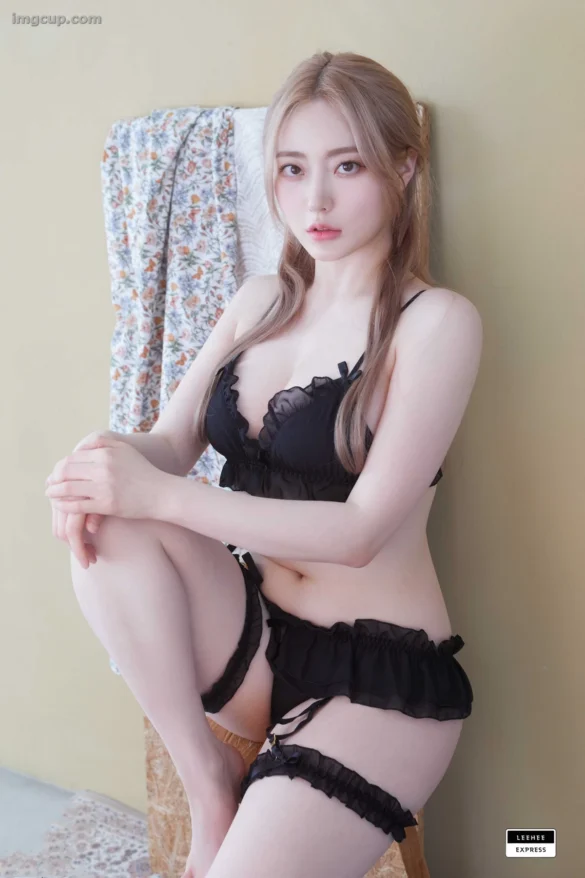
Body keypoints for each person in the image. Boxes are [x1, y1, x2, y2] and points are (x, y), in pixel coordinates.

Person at [47, 50, 483, 878]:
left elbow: (358, 532)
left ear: (402, 168)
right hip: (257, 639)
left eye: (346, 166)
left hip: (373, 678)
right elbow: (169, 446)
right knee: (107, 515)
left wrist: (159, 495)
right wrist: (96, 463)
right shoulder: (258, 302)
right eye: (291, 169)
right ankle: (208, 783)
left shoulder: (436, 324)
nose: (313, 201)